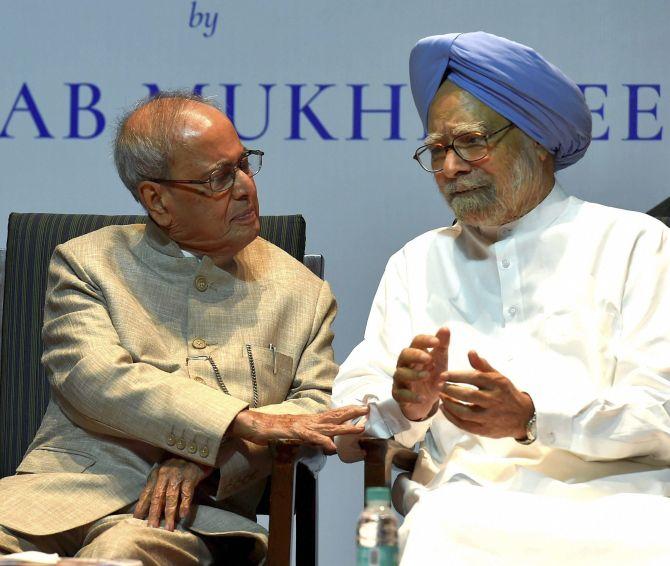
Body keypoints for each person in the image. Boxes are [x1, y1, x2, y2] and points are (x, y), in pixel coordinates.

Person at [333, 32, 670, 564]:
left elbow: (661, 409)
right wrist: (405, 405)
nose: (450, 168)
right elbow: (350, 416)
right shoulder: (417, 263)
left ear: (538, 139)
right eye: (438, 150)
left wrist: (532, 417)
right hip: (466, 507)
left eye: (470, 143)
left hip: (625, 503)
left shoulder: (635, 244)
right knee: (441, 533)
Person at [0, 91, 367, 565]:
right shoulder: (86, 263)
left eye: (244, 164)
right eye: (218, 178)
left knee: (121, 555)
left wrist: (211, 458)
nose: (244, 187)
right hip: (63, 493)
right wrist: (239, 421)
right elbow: (94, 379)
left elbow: (313, 413)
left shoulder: (302, 292)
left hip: (192, 515)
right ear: (157, 200)